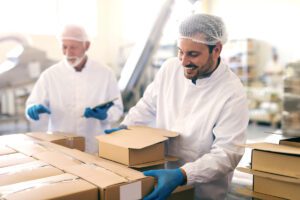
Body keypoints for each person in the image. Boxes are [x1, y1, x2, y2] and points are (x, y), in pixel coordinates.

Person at [105, 14, 249, 199]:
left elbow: (227, 153)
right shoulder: (170, 68)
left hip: (203, 191)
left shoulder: (232, 92)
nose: (183, 61)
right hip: (160, 177)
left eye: (193, 54)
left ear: (217, 49)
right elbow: (147, 106)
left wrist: (182, 175)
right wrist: (125, 129)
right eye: (180, 51)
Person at [25, 24, 123, 154]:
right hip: (61, 147)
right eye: (64, 47)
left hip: (95, 147)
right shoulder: (50, 75)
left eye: (73, 47)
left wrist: (105, 115)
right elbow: (32, 104)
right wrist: (32, 109)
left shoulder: (105, 73)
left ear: (86, 46)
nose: (68, 53)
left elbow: (118, 109)